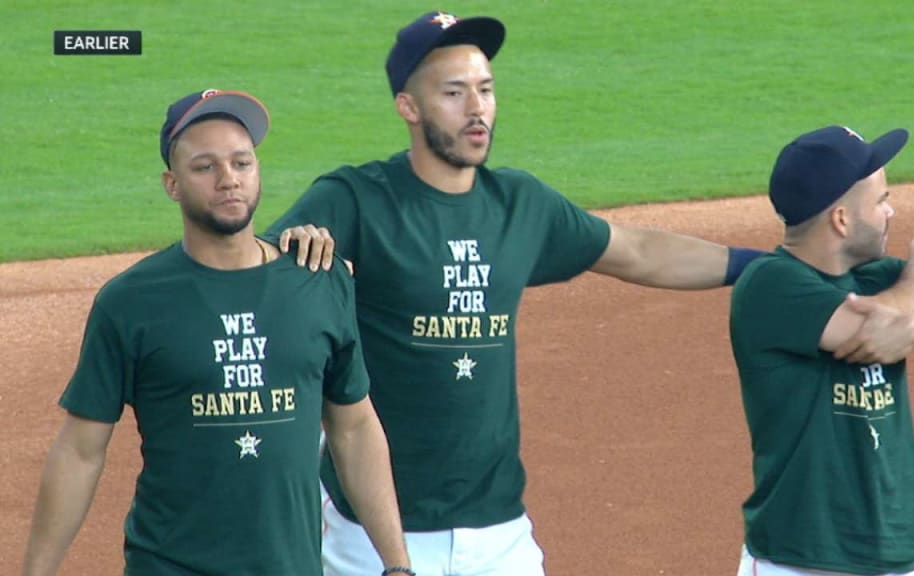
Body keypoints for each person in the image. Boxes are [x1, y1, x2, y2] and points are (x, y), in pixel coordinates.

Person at [266, 11, 764, 576]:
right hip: (371, 537)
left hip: (499, 533)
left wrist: (760, 266)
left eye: (485, 89)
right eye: (453, 93)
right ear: (409, 106)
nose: (476, 109)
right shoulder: (356, 199)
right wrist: (291, 244)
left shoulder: (520, 206)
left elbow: (638, 251)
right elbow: (254, 272)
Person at [21, 89, 412, 576]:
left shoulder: (319, 281)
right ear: (173, 183)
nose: (229, 180)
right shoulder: (131, 301)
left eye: (242, 163)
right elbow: (80, 449)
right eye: (205, 167)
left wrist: (398, 565)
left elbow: (353, 428)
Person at [729, 125, 914, 576]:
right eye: (880, 201)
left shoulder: (878, 276)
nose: (891, 211)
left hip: (895, 560)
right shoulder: (770, 284)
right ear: (841, 219)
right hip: (804, 562)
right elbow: (879, 328)